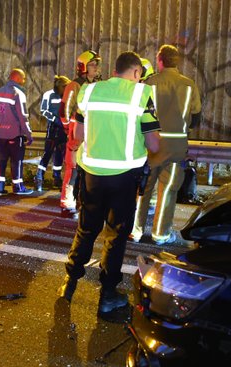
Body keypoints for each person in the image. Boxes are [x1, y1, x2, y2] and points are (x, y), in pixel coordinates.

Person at [57, 51, 161, 317]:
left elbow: (78, 134)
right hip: (124, 177)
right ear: (136, 72)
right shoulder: (142, 94)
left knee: (86, 229)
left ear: (115, 70)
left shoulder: (89, 91)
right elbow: (153, 143)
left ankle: (69, 284)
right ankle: (107, 296)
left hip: (91, 174)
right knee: (115, 235)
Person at [131, 45, 201, 245]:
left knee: (143, 188)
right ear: (177, 62)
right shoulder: (189, 85)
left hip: (152, 144)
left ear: (159, 61)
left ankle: (135, 230)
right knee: (168, 190)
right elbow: (196, 117)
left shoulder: (149, 83)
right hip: (177, 145)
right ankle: (160, 234)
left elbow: (139, 114)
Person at [58, 50, 102, 215]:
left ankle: (84, 203)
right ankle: (66, 202)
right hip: (77, 132)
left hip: (93, 132)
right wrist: (69, 128)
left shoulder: (98, 85)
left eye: (97, 64)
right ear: (83, 67)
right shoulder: (74, 85)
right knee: (73, 168)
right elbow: (64, 110)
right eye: (92, 64)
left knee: (90, 170)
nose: (96, 67)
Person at [0, 68, 34, 196]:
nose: (24, 81)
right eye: (23, 78)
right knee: (17, 161)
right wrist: (29, 134)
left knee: (1, 161)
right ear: (17, 78)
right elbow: (22, 116)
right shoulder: (18, 94)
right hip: (14, 134)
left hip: (0, 134)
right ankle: (18, 187)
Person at [35, 75, 71, 192]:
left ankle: (57, 179)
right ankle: (39, 178)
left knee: (61, 155)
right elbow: (43, 110)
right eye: (65, 87)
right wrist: (55, 120)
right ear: (60, 86)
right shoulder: (48, 94)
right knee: (47, 153)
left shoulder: (68, 95)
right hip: (53, 129)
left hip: (64, 129)